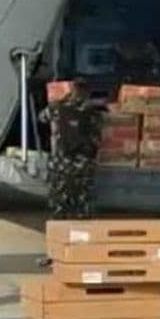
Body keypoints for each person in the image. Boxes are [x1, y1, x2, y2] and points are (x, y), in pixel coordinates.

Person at [46, 78, 104, 219]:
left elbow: (42, 118)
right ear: (87, 93)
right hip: (83, 162)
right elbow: (98, 135)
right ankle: (81, 223)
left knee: (59, 199)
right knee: (83, 200)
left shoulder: (57, 108)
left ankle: (60, 222)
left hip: (62, 161)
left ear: (72, 90)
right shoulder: (93, 112)